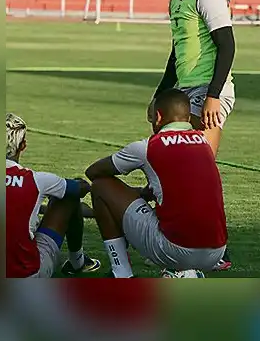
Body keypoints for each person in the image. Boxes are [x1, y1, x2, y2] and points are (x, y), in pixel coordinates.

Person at [148, 0, 236, 271]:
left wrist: (213, 96)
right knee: (179, 170)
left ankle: (212, 251)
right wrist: (160, 95)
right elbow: (176, 54)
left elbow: (227, 46)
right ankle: (190, 243)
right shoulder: (177, 0)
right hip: (184, 92)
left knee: (196, 170)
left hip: (208, 91)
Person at [85, 89, 229, 278]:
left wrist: (134, 193)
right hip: (217, 251)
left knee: (101, 186)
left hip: (176, 249)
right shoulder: (204, 142)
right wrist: (146, 192)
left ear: (159, 117)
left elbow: (94, 172)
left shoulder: (147, 146)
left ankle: (121, 273)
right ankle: (187, 272)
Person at [5, 113, 100, 278]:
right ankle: (78, 262)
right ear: (23, 145)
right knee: (68, 194)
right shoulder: (37, 180)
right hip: (27, 276)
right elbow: (81, 188)